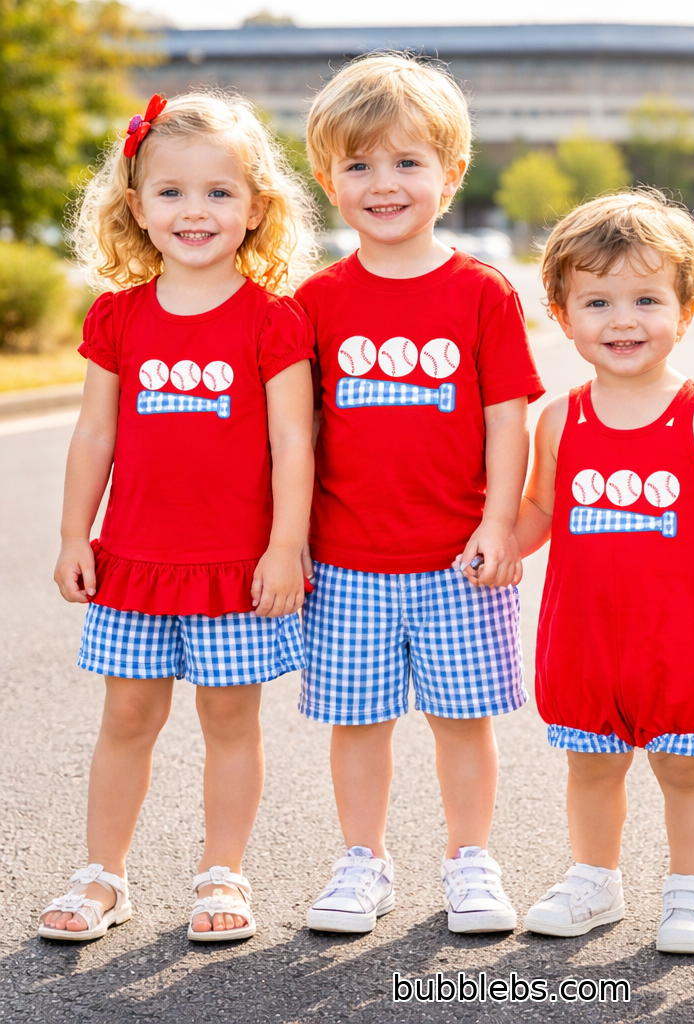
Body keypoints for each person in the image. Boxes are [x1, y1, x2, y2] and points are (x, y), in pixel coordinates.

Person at [40, 92, 319, 943]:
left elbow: (293, 448)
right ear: (136, 206)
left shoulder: (273, 320)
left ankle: (221, 874)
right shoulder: (117, 317)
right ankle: (103, 876)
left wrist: (284, 548)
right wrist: (71, 535)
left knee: (229, 720)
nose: (194, 211)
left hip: (236, 566)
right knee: (127, 718)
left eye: (218, 193)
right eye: (171, 192)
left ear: (256, 208)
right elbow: (95, 435)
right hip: (133, 561)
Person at [295, 54, 544, 935]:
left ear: (451, 174)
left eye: (407, 163)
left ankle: (470, 861)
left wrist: (498, 524)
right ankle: (363, 861)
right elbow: (299, 434)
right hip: (347, 560)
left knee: (462, 719)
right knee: (358, 725)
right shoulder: (316, 301)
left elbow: (506, 420)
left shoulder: (481, 294)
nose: (383, 184)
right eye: (358, 165)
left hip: (456, 561)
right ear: (328, 179)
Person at [515, 191, 694, 952]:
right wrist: (493, 541)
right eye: (597, 301)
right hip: (588, 636)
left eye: (646, 299)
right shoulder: (561, 418)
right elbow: (538, 512)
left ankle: (692, 893)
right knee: (591, 768)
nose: (623, 320)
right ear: (562, 316)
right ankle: (595, 880)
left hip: (684, 637)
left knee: (686, 772)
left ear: (686, 311)